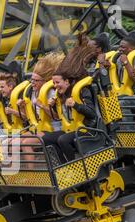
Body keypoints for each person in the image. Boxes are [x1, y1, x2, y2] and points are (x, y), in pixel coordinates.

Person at [42, 34, 98, 163]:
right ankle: (62, 165)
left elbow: (92, 113)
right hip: (70, 129)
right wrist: (51, 107)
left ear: (67, 81)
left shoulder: (82, 90)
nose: (55, 86)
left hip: (87, 129)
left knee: (63, 139)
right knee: (46, 139)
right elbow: (59, 117)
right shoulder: (60, 95)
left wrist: (76, 105)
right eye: (53, 83)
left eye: (57, 82)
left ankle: (73, 165)